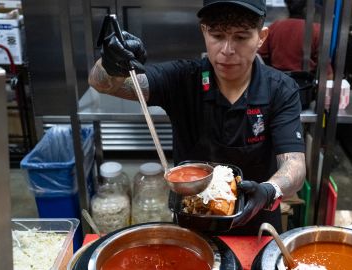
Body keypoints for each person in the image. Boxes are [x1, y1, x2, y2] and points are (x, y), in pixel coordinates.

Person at [88, 0, 306, 234]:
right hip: (194, 225)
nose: (227, 49)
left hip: (257, 225)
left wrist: (270, 190)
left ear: (261, 37)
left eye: (241, 37)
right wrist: (112, 65)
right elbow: (102, 83)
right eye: (217, 35)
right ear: (204, 32)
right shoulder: (183, 78)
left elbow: (295, 165)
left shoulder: (280, 89)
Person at [257, 0, 333, 78]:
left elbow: (261, 55)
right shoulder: (316, 30)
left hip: (277, 80)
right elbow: (327, 73)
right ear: (309, 10)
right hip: (305, 84)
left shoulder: (274, 27)